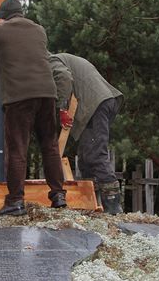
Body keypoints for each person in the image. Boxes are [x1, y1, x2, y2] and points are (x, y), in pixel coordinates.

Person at [0, 0, 66, 216]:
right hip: (47, 93)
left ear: (2, 16)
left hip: (19, 97)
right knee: (50, 145)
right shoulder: (39, 30)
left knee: (17, 149)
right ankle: (58, 195)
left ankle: (15, 201)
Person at [49, 53, 124, 214]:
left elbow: (63, 78)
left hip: (95, 105)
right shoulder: (65, 59)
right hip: (98, 104)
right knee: (85, 158)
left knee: (96, 155)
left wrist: (62, 108)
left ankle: (113, 208)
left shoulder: (52, 61)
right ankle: (91, 203)